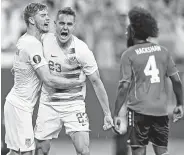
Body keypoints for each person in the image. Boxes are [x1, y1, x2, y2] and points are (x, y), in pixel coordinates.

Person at [4, 3, 85, 155]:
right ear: (32, 20)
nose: (48, 18)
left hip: (17, 105)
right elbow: (48, 79)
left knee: (15, 152)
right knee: (26, 153)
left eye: (48, 15)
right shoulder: (32, 45)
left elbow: (18, 64)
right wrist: (75, 82)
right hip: (20, 107)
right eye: (42, 16)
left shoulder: (28, 40)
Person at [34, 7, 114, 155]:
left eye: (69, 24)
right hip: (48, 104)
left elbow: (96, 82)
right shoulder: (44, 41)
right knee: (40, 149)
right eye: (61, 23)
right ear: (55, 24)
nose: (65, 27)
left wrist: (107, 114)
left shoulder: (82, 50)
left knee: (83, 150)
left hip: (73, 105)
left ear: (74, 26)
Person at [113, 6, 184, 155]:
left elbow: (124, 86)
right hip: (160, 112)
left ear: (134, 31)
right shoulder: (163, 51)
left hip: (137, 111)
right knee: (162, 152)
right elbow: (177, 81)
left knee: (138, 152)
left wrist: (116, 112)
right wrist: (180, 104)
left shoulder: (128, 54)